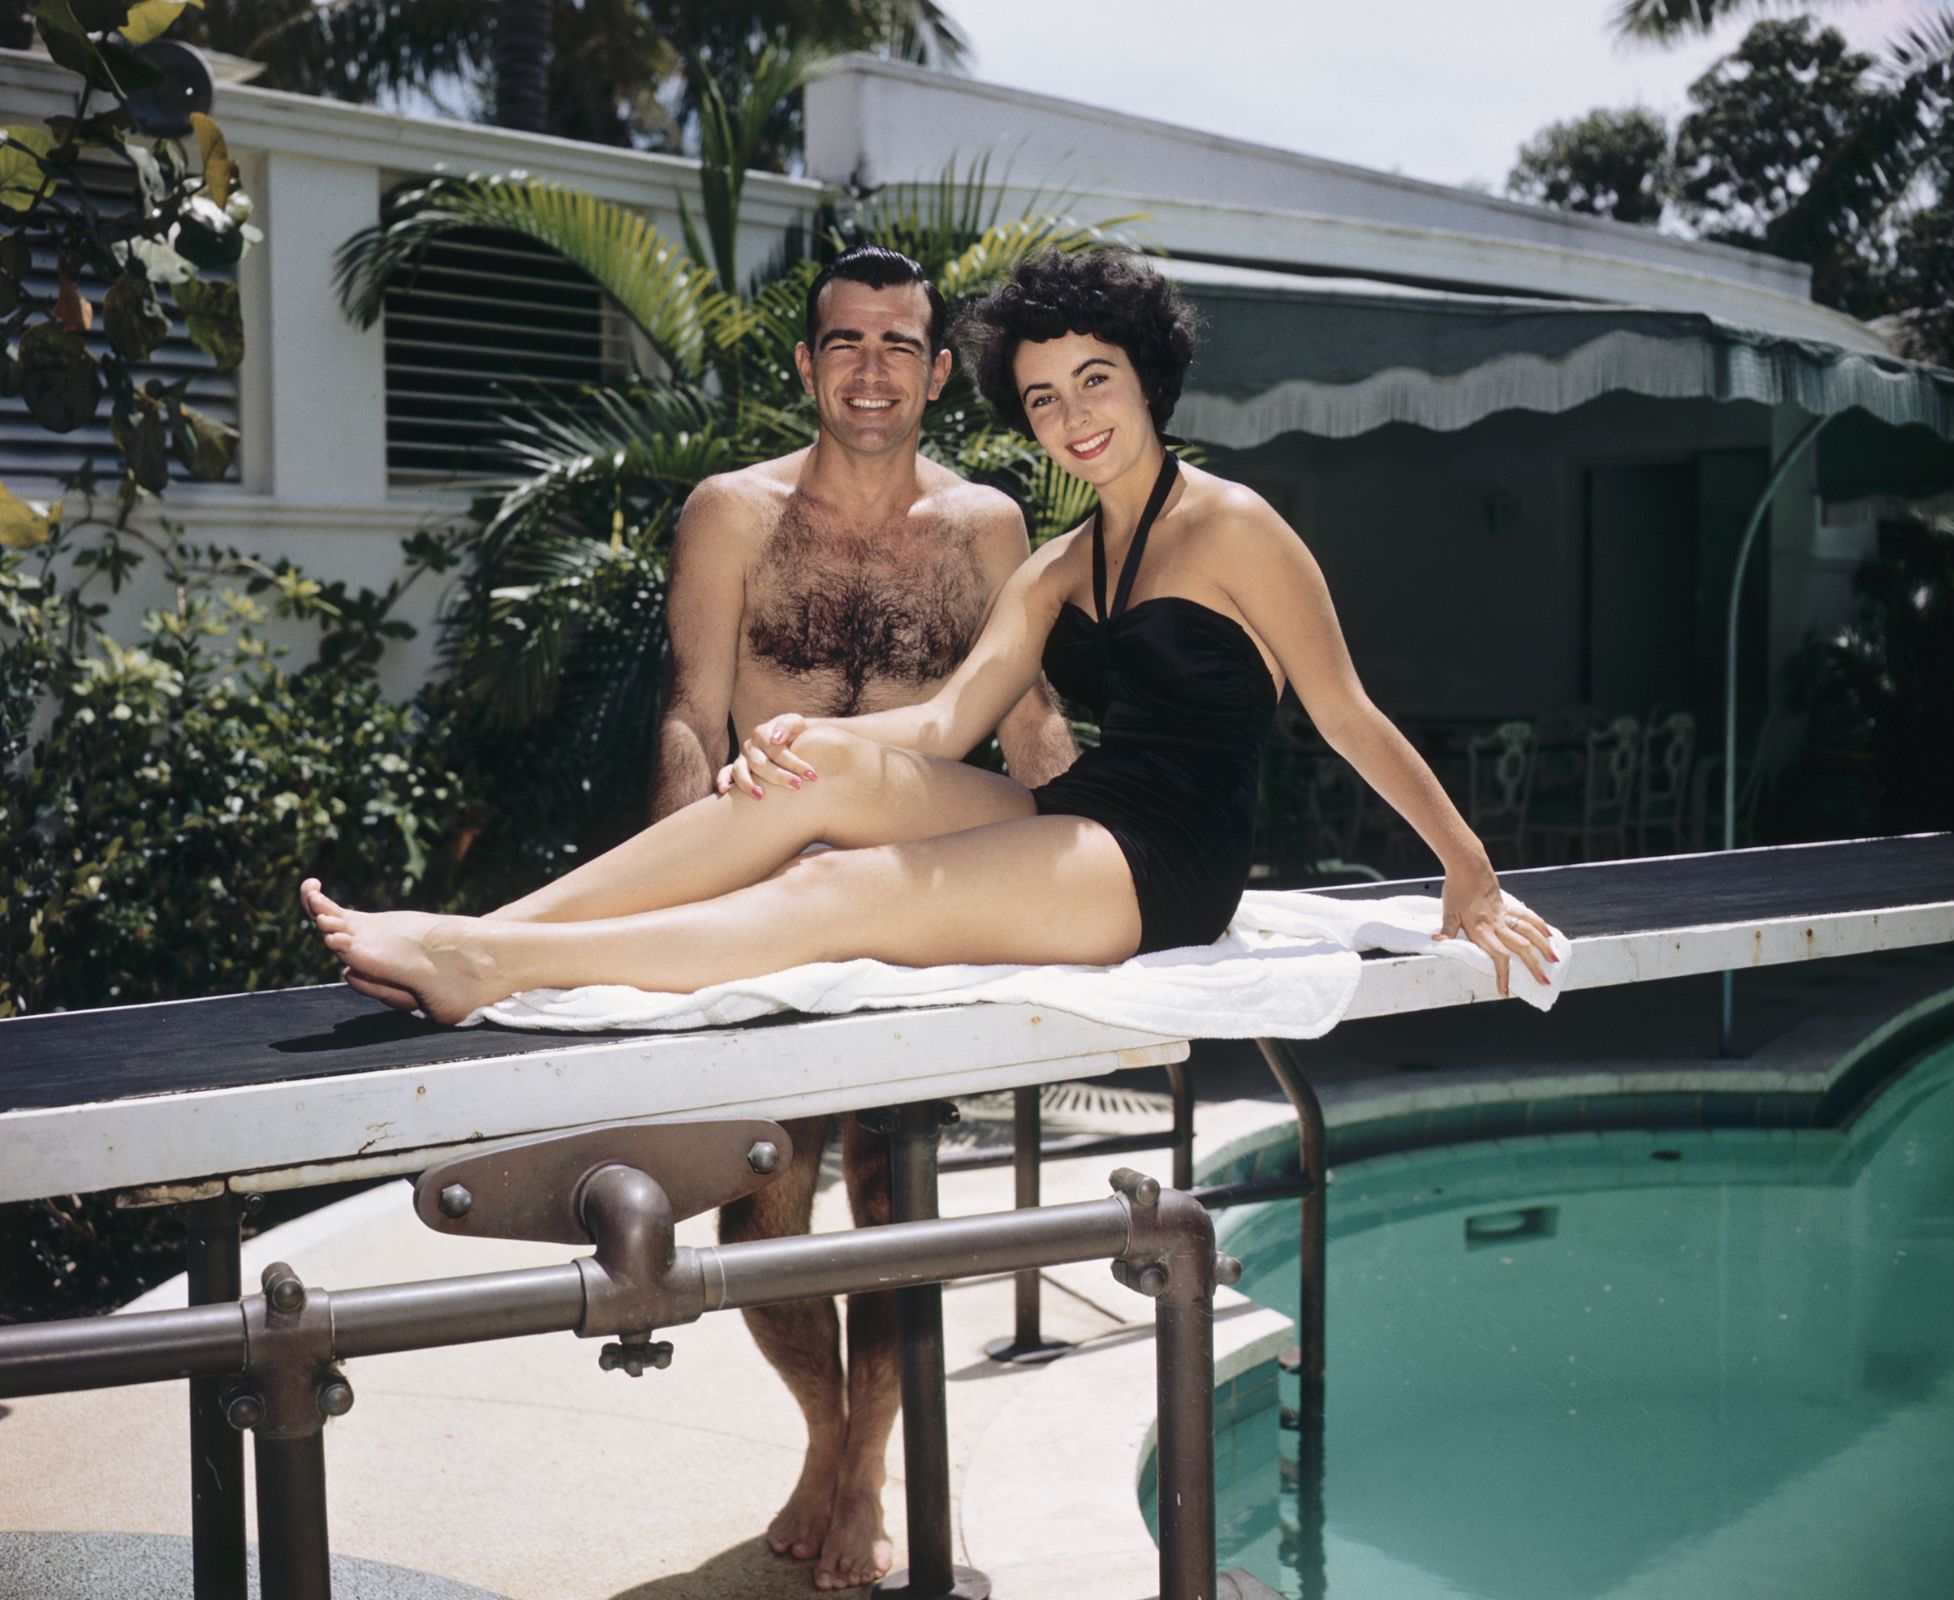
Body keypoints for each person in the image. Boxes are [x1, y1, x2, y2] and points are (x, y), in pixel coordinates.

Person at [301, 244, 1558, 1576]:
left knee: (836, 891)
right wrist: (801, 748)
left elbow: (1347, 712)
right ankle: (484, 934)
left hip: (1171, 859)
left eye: (1095, 381)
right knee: (816, 774)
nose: (1072, 418)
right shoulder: (1064, 559)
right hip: (1092, 811)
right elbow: (952, 723)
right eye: (1043, 398)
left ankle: (494, 964)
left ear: (1150, 378)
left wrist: (1466, 866)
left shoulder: (1234, 525)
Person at [646, 242, 1075, 1590]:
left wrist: (1118, 865)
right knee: (762, 1203)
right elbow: (691, 710)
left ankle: (868, 1470)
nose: (872, 370)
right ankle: (825, 1433)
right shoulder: (734, 512)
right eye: (846, 343)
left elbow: (1029, 719)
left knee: (899, 1198)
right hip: (769, 900)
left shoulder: (985, 526)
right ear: (806, 364)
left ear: (939, 373)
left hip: (919, 907)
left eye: (899, 345)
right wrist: (673, 893)